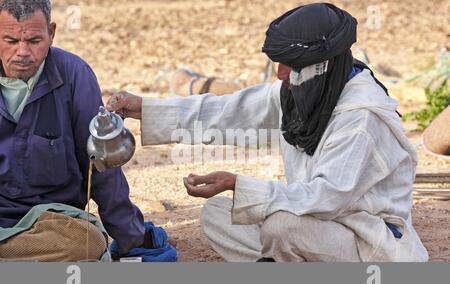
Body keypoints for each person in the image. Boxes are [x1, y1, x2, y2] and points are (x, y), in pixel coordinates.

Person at [107, 3, 429, 262]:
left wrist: (238, 184)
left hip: (368, 244)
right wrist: (145, 110)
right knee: (218, 214)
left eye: (289, 64)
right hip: (317, 225)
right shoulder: (302, 91)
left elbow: (324, 199)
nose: (280, 73)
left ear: (320, 66)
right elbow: (227, 112)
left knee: (281, 226)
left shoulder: (361, 118)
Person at [0, 0, 176, 262]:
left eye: (34, 40)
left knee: (87, 242)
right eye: (11, 41)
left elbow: (101, 163)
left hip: (49, 223)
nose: (23, 52)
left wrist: (131, 237)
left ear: (52, 33)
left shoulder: (74, 75)